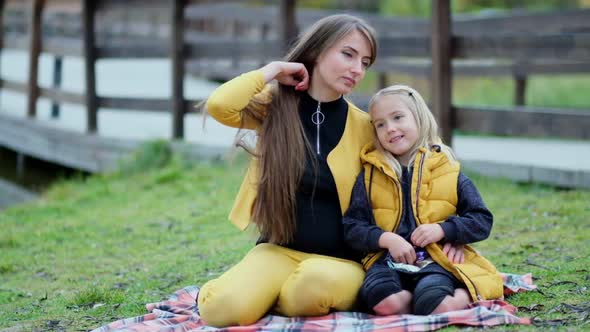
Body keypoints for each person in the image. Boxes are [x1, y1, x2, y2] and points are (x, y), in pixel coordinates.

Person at [197, 14, 378, 327]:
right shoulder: (275, 107)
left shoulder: (366, 127)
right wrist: (274, 70)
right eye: (348, 54)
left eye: (365, 62)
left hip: (342, 262)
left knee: (309, 288)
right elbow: (219, 105)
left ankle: (273, 298)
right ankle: (254, 291)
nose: (357, 69)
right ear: (317, 51)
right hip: (277, 252)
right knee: (220, 310)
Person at [342, 85, 504, 316]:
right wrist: (386, 239)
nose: (390, 128)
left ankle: (465, 293)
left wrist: (444, 230)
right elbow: (352, 227)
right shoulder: (369, 175)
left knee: (438, 304)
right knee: (384, 303)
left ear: (419, 117)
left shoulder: (447, 170)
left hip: (435, 262)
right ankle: (416, 303)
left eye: (398, 117)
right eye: (380, 124)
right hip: (387, 263)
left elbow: (481, 220)